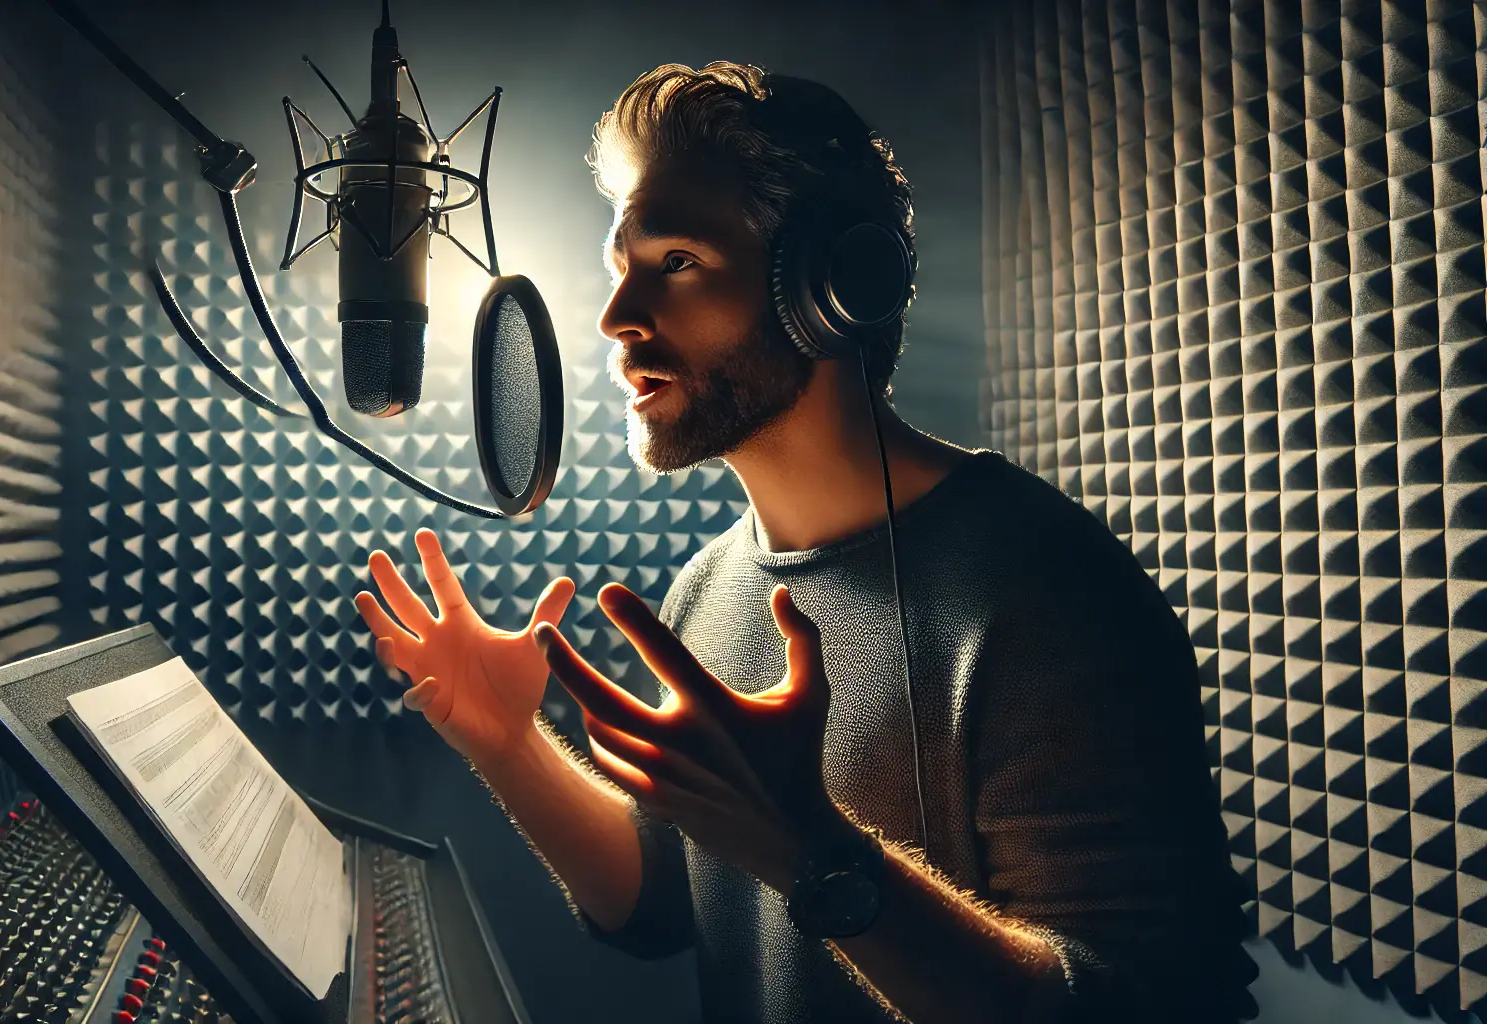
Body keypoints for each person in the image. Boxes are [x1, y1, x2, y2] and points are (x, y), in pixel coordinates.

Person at [354, 62, 1258, 1023]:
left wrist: (813, 852)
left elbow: (1142, 1004)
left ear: (831, 288)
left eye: (677, 264)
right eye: (620, 272)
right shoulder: (709, 587)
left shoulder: (1045, 590)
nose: (618, 321)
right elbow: (666, 906)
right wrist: (507, 745)